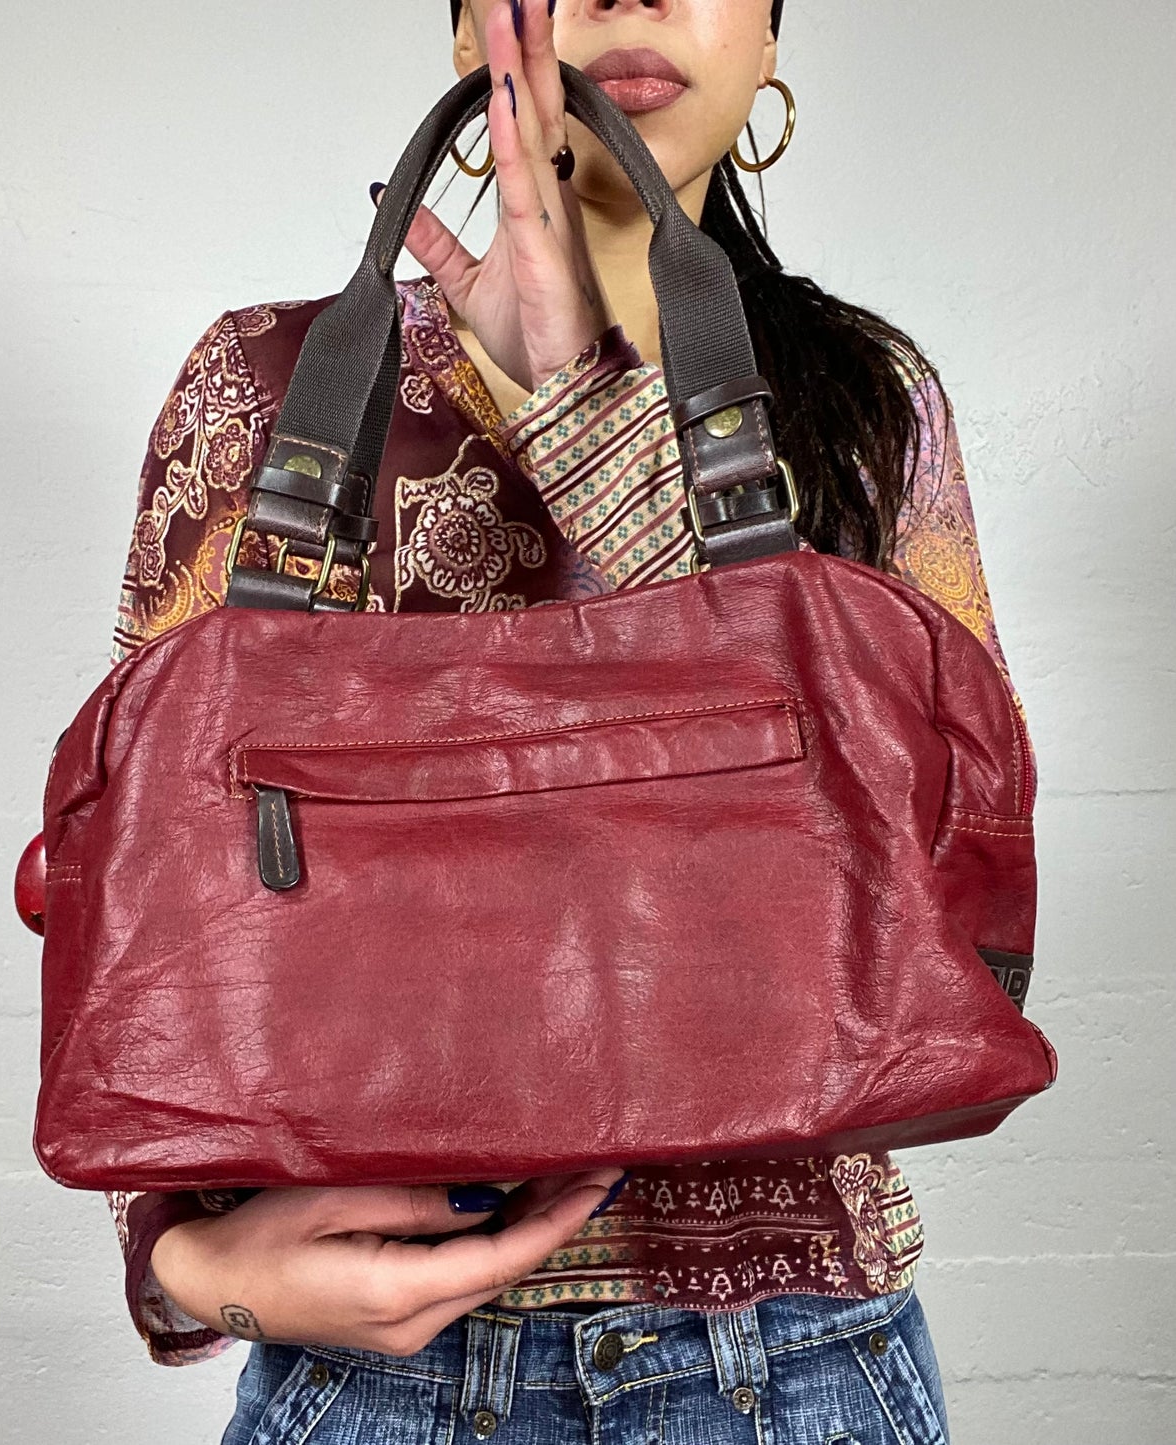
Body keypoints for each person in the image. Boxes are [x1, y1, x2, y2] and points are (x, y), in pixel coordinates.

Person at [102, 1, 1025, 1439]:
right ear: (467, 30)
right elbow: (141, 888)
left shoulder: (864, 404)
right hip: (375, 1386)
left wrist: (576, 398)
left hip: (793, 1367)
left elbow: (939, 888)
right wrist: (190, 1265)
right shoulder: (272, 393)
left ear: (772, 44)